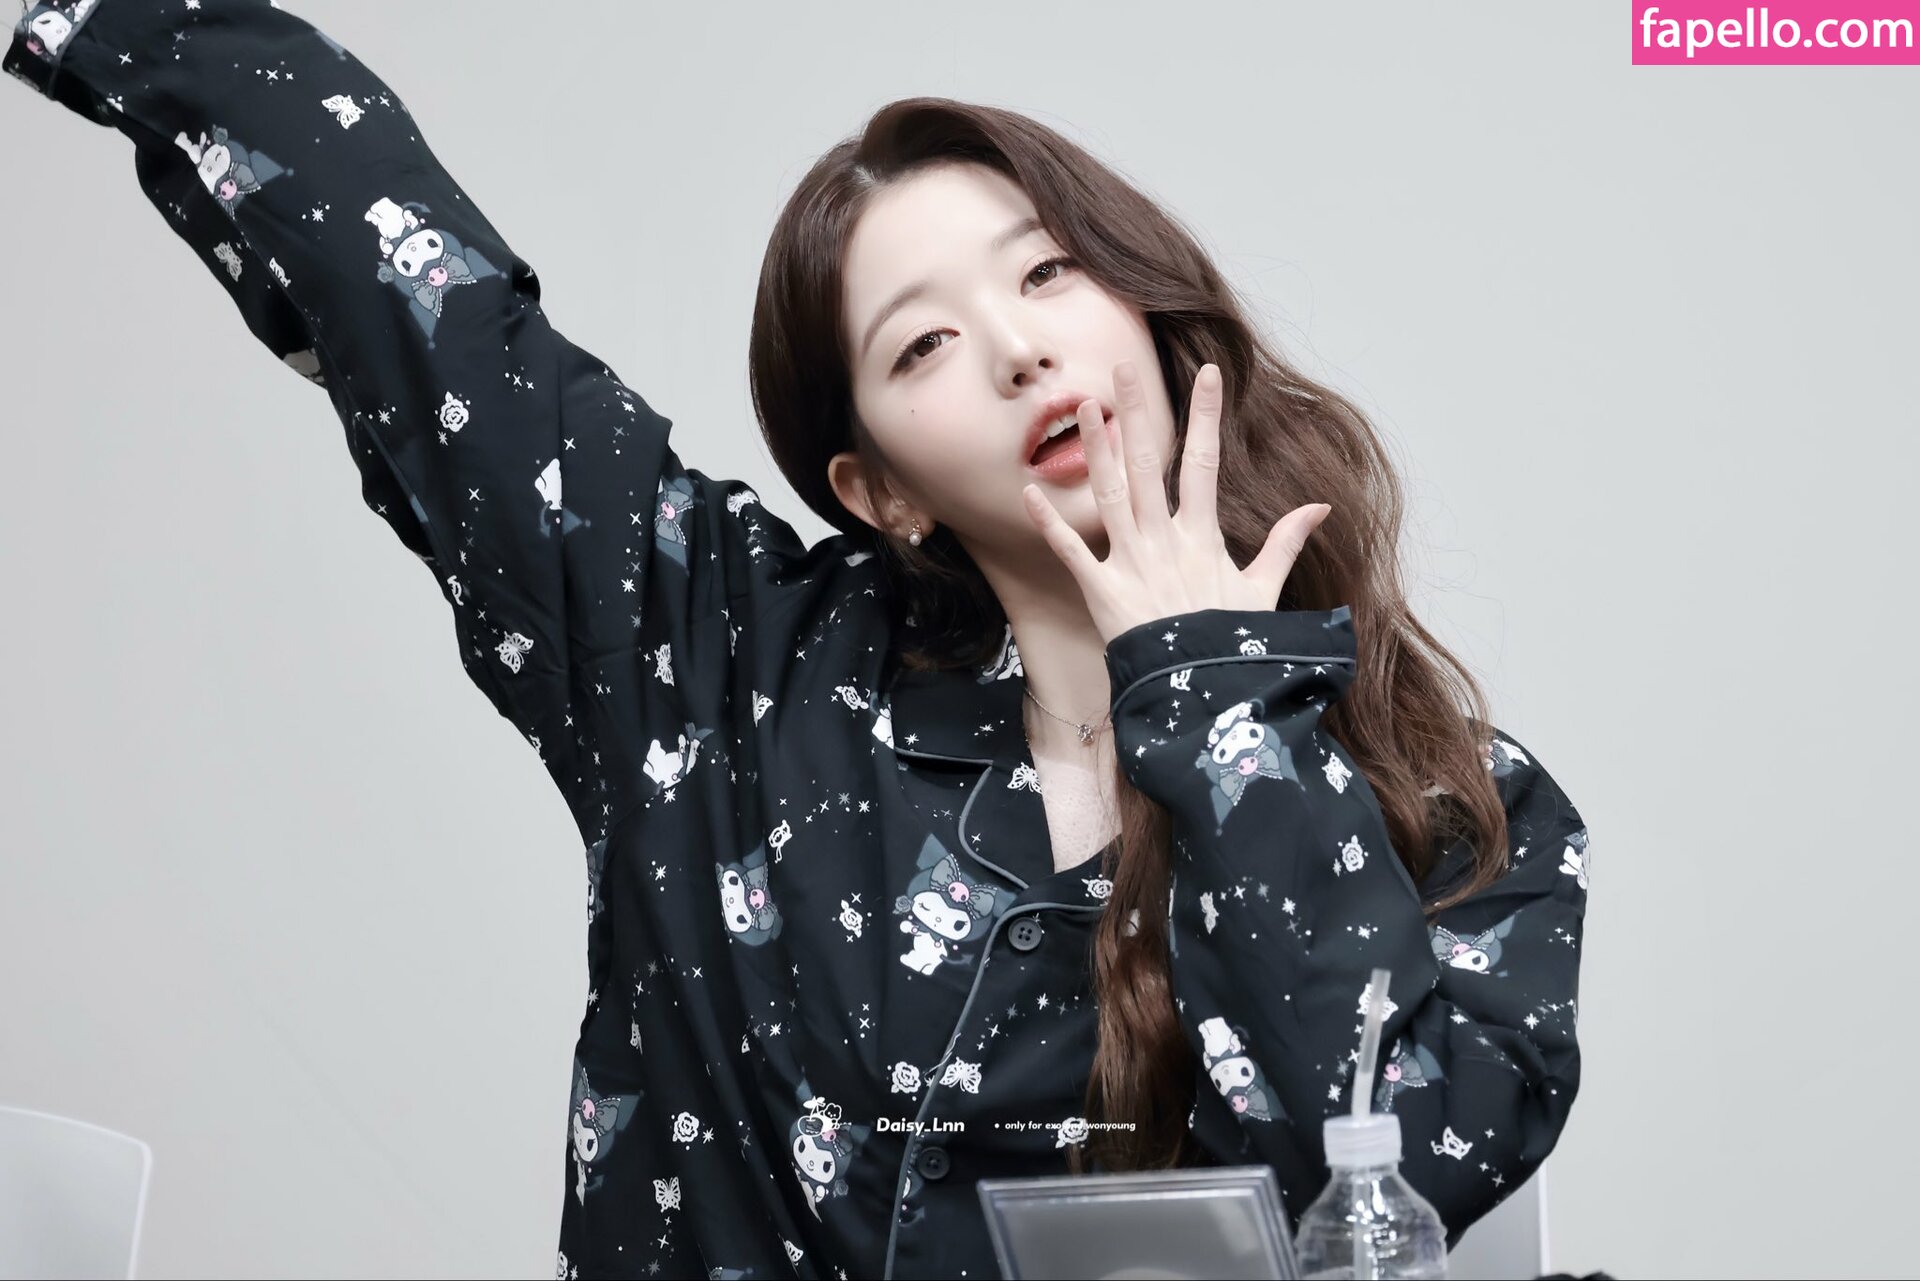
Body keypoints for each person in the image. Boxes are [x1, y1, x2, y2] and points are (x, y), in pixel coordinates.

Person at [4, 3, 1593, 1278]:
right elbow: (408, 286)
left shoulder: (1456, 804)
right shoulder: (718, 663)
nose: (1019, 345)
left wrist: (1211, 700)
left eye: (1048, 271)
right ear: (878, 488)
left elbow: (1397, 1184)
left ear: (1145, 310)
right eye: (925, 342)